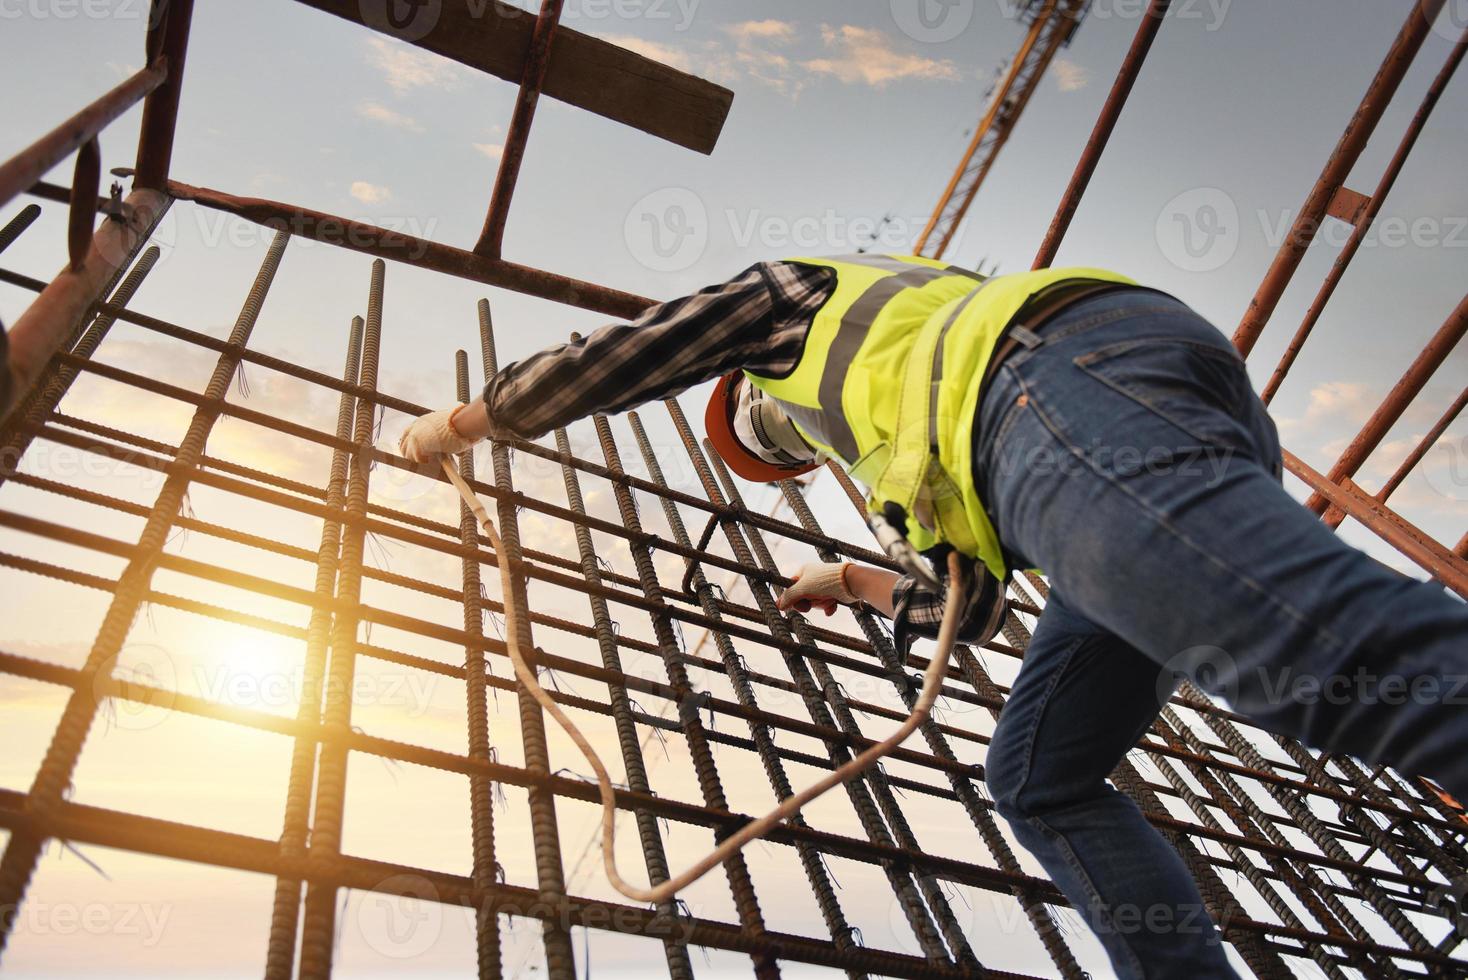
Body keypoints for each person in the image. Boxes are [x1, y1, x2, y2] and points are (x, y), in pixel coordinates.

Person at [400, 253, 1468, 979]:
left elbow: (628, 354)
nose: (777, 447)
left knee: (1281, 642)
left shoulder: (802, 302)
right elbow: (973, 605)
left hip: (1049, 376)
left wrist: (464, 422)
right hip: (1106, 399)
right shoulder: (897, 430)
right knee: (1038, 773)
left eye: (763, 437)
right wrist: (851, 579)